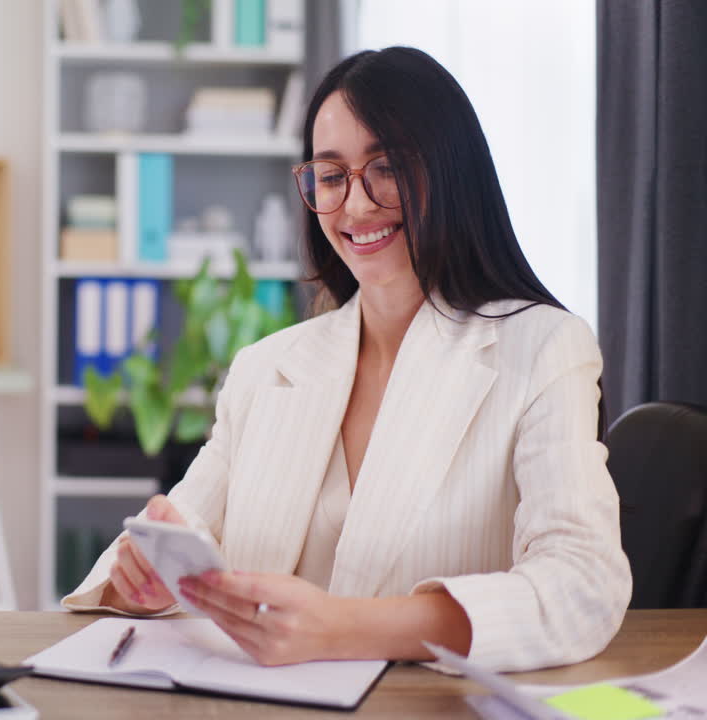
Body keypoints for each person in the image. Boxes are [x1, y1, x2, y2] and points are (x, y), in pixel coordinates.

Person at [62, 47, 631, 673]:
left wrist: (346, 628)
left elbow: (583, 583)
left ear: (451, 173)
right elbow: (181, 526)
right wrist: (141, 576)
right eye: (331, 178)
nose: (356, 207)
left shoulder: (545, 348)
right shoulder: (265, 368)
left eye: (385, 169)